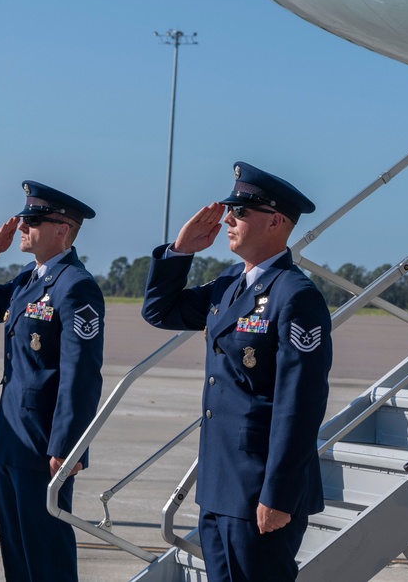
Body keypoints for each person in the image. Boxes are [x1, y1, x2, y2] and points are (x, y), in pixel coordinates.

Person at [142, 161, 332, 582]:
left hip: (259, 490)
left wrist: (278, 495)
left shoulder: (295, 295)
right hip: (220, 484)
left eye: (240, 212)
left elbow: (300, 404)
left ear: (275, 221)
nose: (228, 219)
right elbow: (160, 311)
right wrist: (181, 250)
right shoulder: (230, 283)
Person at [0, 180, 104, 582]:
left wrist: (67, 445)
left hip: (45, 443)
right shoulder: (29, 277)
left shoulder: (76, 285)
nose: (22, 226)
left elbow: (81, 373)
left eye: (33, 220)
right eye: (24, 218)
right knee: (18, 555)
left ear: (62, 229)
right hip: (12, 438)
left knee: (46, 555)